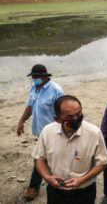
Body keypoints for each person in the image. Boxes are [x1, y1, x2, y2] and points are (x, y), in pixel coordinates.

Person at [32, 95, 107, 204]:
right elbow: (39, 158)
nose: (76, 119)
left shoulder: (94, 133)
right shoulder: (47, 132)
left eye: (79, 114)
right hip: (55, 192)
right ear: (58, 119)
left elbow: (102, 163)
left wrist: (81, 180)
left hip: (84, 193)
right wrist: (47, 177)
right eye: (69, 117)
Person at [16, 64, 64, 201]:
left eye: (36, 76)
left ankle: (33, 187)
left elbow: (64, 111)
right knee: (48, 158)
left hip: (54, 132)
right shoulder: (34, 89)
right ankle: (54, 180)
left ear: (45, 76)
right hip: (40, 132)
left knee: (39, 158)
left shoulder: (56, 90)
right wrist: (21, 122)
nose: (34, 78)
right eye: (33, 76)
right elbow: (30, 107)